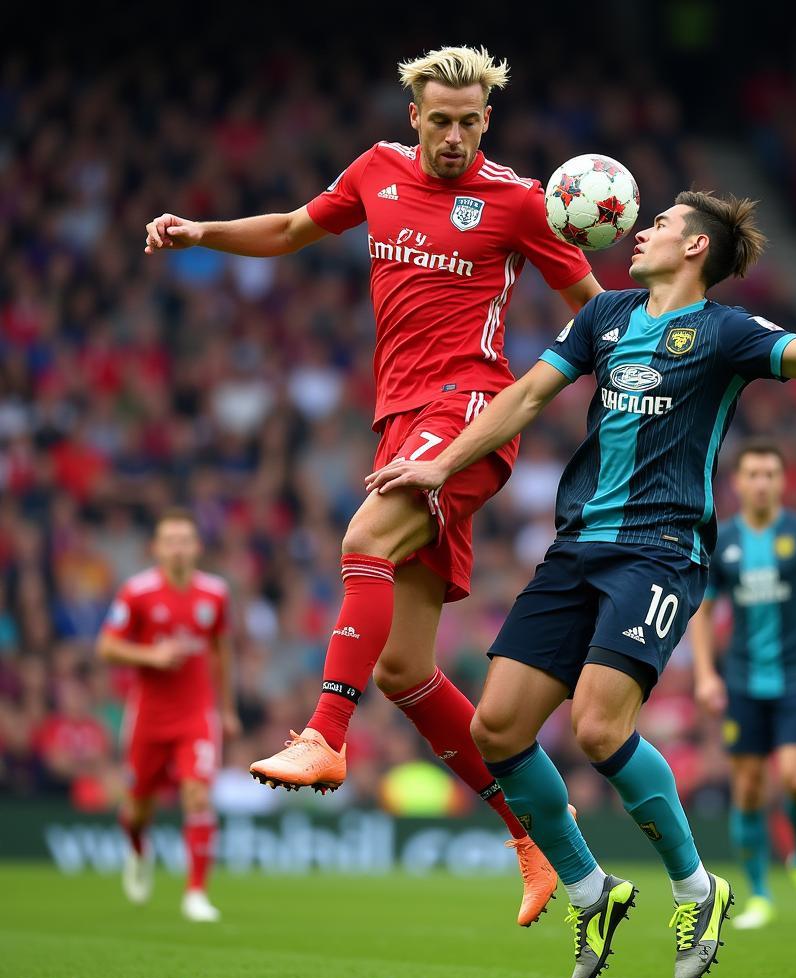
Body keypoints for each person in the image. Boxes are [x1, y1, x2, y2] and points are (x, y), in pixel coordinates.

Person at [366, 190, 796, 978]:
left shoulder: (726, 331)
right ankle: (590, 888)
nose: (643, 231)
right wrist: (439, 462)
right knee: (496, 729)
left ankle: (697, 889)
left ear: (697, 248)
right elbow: (527, 395)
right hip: (576, 550)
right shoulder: (603, 318)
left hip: (660, 551)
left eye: (663, 223)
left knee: (600, 729)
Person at [143, 45, 602, 926]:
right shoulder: (376, 173)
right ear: (414, 119)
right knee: (403, 668)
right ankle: (535, 832)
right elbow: (286, 230)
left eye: (472, 122)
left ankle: (323, 733)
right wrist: (200, 232)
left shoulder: (518, 201)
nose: (457, 137)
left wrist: (582, 386)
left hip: (466, 413)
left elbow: (594, 306)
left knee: (364, 540)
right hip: (400, 421)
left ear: (488, 121)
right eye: (442, 121)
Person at [688, 439, 796, 930]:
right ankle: (759, 894)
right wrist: (704, 674)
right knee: (749, 789)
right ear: (737, 482)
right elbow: (703, 610)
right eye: (753, 474)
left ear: (782, 481)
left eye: (770, 475)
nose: (761, 483)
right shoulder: (723, 540)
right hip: (741, 681)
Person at [97, 509, 240, 922]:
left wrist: (226, 708)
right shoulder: (137, 592)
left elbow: (221, 651)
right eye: (170, 540)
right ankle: (139, 851)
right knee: (138, 809)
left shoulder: (215, 593)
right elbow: (106, 647)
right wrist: (150, 655)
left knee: (197, 794)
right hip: (148, 717)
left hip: (196, 714)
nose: (178, 547)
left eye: (185, 540)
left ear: (197, 547)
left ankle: (195, 893)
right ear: (156, 548)